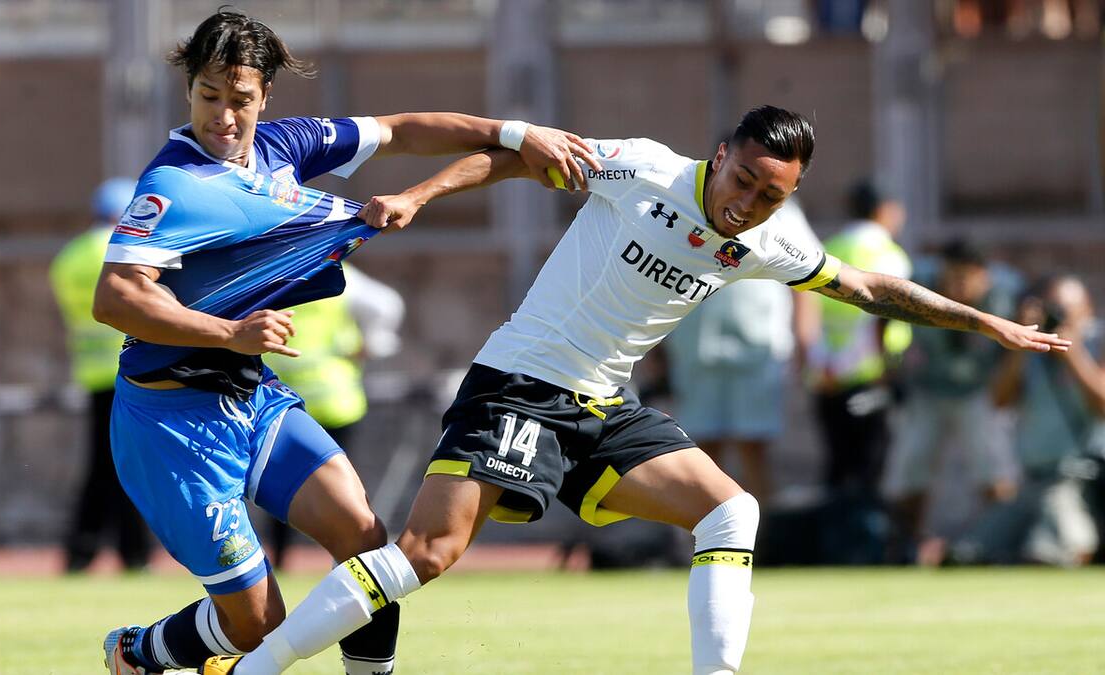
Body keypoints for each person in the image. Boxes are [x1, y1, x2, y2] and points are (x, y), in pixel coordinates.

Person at [199, 105, 1070, 675]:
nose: (749, 207)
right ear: (719, 153)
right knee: (428, 554)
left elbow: (872, 289)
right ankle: (254, 669)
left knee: (733, 511)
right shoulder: (643, 167)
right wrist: (423, 191)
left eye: (773, 197)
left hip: (602, 407)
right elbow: (515, 160)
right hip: (522, 385)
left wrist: (984, 321)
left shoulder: (765, 242)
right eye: (743, 182)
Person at [92, 9, 599, 675]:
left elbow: (400, 131)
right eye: (207, 98)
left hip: (251, 400)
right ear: (188, 91)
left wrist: (516, 131)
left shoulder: (284, 146)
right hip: (170, 424)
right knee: (255, 626)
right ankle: (136, 652)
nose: (222, 117)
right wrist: (230, 332)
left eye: (239, 100)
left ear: (264, 96)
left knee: (367, 547)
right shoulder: (173, 185)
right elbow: (115, 296)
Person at [663, 197, 820, 503]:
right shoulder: (688, 201)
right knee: (700, 453)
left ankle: (760, 547)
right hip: (697, 351)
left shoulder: (783, 210)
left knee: (753, 449)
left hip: (757, 351)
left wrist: (805, 341)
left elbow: (807, 276)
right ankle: (703, 544)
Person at [950, 274, 1105, 567]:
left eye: (1065, 311)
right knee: (969, 553)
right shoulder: (1031, 349)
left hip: (1077, 476)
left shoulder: (1098, 340)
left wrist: (1073, 352)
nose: (1057, 319)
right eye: (1051, 310)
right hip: (1031, 480)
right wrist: (1022, 344)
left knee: (1049, 554)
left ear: (1087, 309)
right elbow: (999, 400)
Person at [881, 239, 1020, 564]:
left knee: (993, 471)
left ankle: (1001, 542)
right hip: (928, 389)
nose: (956, 286)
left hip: (978, 391)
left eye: (965, 277)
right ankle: (903, 547)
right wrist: (891, 368)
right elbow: (882, 319)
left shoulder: (1006, 295)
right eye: (951, 277)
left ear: (984, 276)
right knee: (910, 471)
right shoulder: (920, 285)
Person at [261, 266, 405, 568]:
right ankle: (347, 561)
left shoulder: (271, 270)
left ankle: (283, 560)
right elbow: (386, 305)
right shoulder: (338, 272)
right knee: (341, 489)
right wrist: (373, 345)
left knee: (283, 486)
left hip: (291, 402)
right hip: (332, 399)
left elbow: (386, 305)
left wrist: (372, 345)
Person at [51, 177, 153, 573]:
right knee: (131, 466)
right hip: (129, 370)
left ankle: (82, 550)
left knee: (100, 466)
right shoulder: (120, 250)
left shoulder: (70, 256)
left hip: (92, 372)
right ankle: (134, 554)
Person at [809, 179, 911, 505]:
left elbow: (810, 311)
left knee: (837, 464)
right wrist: (887, 370)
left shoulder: (830, 247)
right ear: (884, 210)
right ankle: (861, 543)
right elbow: (883, 315)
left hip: (826, 374)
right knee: (870, 466)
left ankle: (833, 543)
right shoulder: (887, 254)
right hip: (870, 375)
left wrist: (818, 363)